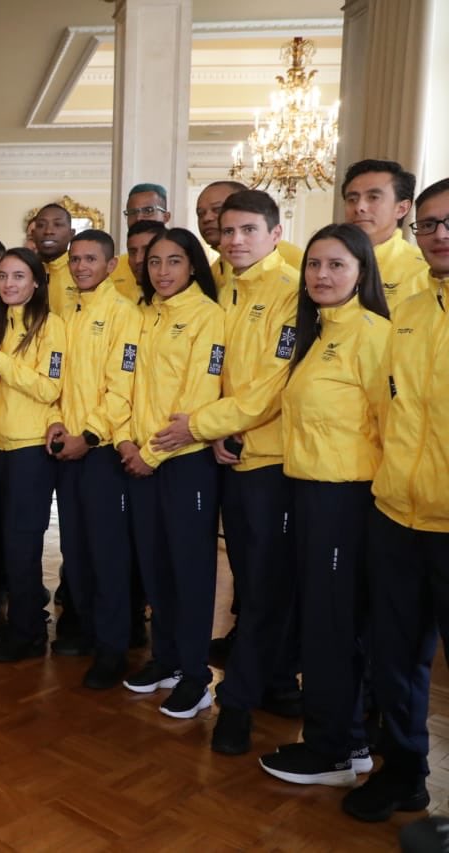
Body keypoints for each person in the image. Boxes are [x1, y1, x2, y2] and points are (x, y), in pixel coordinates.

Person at [153, 190, 302, 739]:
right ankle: (245, 682)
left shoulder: (290, 291)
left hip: (266, 458)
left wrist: (205, 425)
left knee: (263, 585)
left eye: (248, 231)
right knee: (238, 578)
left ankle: (237, 702)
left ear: (275, 233)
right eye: (229, 230)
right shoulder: (219, 285)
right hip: (222, 452)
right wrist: (214, 429)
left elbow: (271, 387)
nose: (235, 240)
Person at [255, 222, 389, 786]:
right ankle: (346, 739)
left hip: (347, 500)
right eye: (313, 265)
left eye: (336, 265)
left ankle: (333, 748)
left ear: (362, 272)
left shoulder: (374, 335)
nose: (321, 275)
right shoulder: (316, 333)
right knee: (324, 619)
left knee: (332, 624)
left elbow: (393, 428)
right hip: (310, 492)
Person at [339, 177, 449, 824]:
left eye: (447, 223)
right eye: (430, 225)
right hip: (396, 515)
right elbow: (381, 411)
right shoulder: (401, 313)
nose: (439, 235)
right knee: (394, 656)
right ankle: (404, 773)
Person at [117, 228, 224, 716]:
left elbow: (198, 397)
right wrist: (124, 441)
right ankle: (166, 659)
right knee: (155, 565)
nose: (162, 271)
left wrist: (150, 454)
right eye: (154, 262)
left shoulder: (210, 317)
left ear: (193, 266)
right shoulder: (140, 317)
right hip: (138, 458)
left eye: (174, 261)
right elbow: (123, 381)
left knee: (191, 571)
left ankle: (197, 675)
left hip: (184, 463)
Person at [44, 229, 140, 690]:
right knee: (75, 551)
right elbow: (62, 380)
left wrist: (89, 433)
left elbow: (122, 388)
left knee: (106, 554)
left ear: (111, 264)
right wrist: (60, 424)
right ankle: (83, 630)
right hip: (71, 450)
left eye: (90, 259)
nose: (81, 266)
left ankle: (112, 649)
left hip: (101, 453)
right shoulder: (68, 313)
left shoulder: (125, 315)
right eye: (75, 260)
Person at [0, 247, 65, 663]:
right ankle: (22, 624)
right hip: (3, 446)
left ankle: (28, 632)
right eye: (4, 276)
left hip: (32, 448)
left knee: (23, 544)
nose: (9, 284)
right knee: (10, 543)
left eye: (18, 276)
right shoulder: (3, 324)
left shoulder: (52, 326)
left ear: (36, 283)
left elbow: (49, 387)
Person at [196, 181, 303, 307]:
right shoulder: (216, 267)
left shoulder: (287, 257)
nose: (207, 218)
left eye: (218, 209)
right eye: (200, 213)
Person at [341, 159, 428, 310]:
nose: (359, 207)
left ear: (402, 208)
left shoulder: (422, 271)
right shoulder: (325, 263)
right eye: (352, 199)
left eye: (373, 197)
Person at [32, 203, 77, 315]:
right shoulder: (25, 269)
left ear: (72, 234)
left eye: (57, 224)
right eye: (41, 225)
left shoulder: (80, 270)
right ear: (33, 234)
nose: (48, 231)